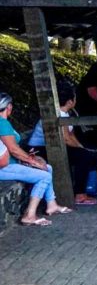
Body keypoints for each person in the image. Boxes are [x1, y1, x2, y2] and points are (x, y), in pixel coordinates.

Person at [0, 92, 72, 226]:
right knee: (43, 175)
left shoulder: (3, 123)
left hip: (10, 164)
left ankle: (52, 204)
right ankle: (29, 215)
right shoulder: (2, 123)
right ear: (9, 106)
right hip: (5, 167)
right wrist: (32, 161)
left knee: (47, 168)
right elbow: (13, 149)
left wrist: (30, 159)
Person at [28, 81, 97, 205]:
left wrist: (83, 147)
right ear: (70, 101)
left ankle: (92, 187)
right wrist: (83, 149)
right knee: (84, 156)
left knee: (89, 151)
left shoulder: (65, 113)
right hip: (39, 150)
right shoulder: (59, 114)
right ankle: (80, 195)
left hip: (54, 146)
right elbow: (66, 139)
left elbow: (71, 136)